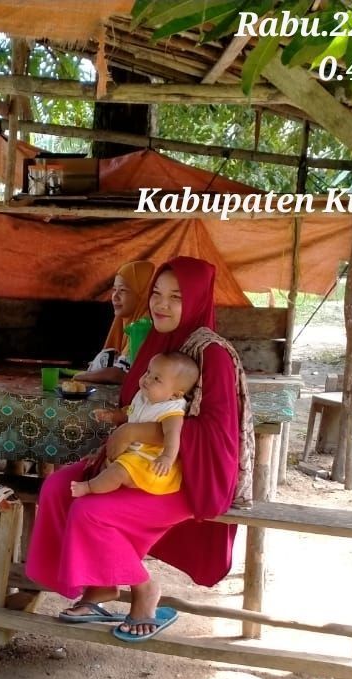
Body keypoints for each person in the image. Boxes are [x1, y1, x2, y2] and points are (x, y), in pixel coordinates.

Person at [25, 257, 254, 640]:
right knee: (55, 488)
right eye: (157, 294)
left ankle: (145, 590)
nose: (161, 305)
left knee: (90, 511)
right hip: (136, 463)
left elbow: (217, 435)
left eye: (176, 297)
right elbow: (137, 400)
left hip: (181, 476)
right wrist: (122, 425)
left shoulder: (211, 353)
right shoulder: (159, 341)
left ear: (196, 299)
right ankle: (99, 586)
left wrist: (137, 433)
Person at [72, 351, 199, 498]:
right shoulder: (145, 396)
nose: (147, 379)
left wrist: (167, 458)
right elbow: (130, 411)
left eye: (157, 379)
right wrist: (113, 415)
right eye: (148, 372)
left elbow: (173, 434)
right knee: (105, 465)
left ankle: (89, 487)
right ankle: (100, 486)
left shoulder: (172, 410)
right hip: (133, 455)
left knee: (117, 472)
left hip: (149, 462)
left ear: (175, 394)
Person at [75, 259, 155, 385]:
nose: (115, 296)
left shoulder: (145, 326)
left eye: (123, 290)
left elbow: (120, 374)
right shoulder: (127, 320)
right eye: (114, 290)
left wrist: (81, 376)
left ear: (142, 295)